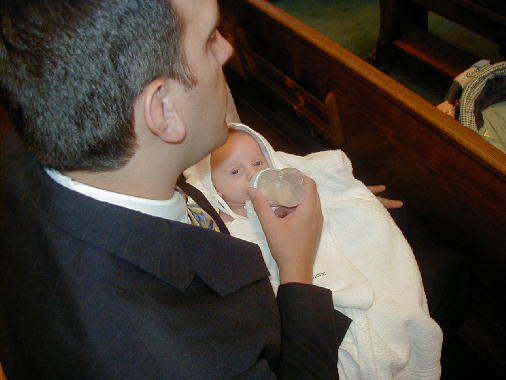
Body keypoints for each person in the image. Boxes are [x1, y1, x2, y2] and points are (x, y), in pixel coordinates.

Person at [0, 0, 352, 379]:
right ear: (164, 111)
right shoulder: (181, 360)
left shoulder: (27, 147)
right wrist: (296, 268)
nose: (227, 49)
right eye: (209, 39)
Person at [186, 123, 443, 379]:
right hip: (301, 303)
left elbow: (321, 184)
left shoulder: (284, 185)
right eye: (234, 171)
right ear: (214, 187)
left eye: (257, 162)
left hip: (332, 267)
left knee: (389, 218)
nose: (251, 174)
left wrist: (348, 196)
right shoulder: (227, 226)